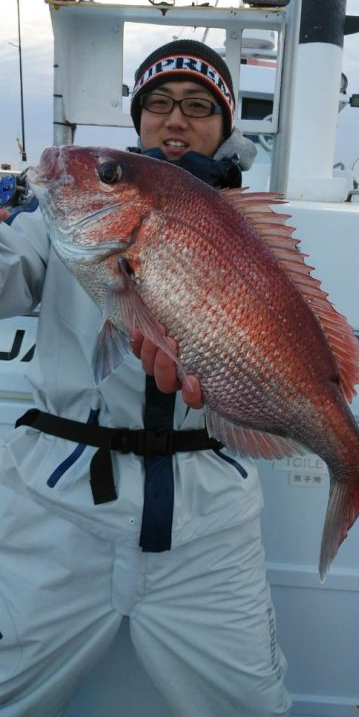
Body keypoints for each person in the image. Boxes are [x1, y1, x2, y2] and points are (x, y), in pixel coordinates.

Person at [0, 40, 291, 717]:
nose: (175, 120)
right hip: (63, 507)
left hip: (207, 517)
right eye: (157, 104)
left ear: (225, 126)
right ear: (138, 122)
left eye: (198, 106)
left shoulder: (251, 231)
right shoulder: (64, 216)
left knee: (253, 703)